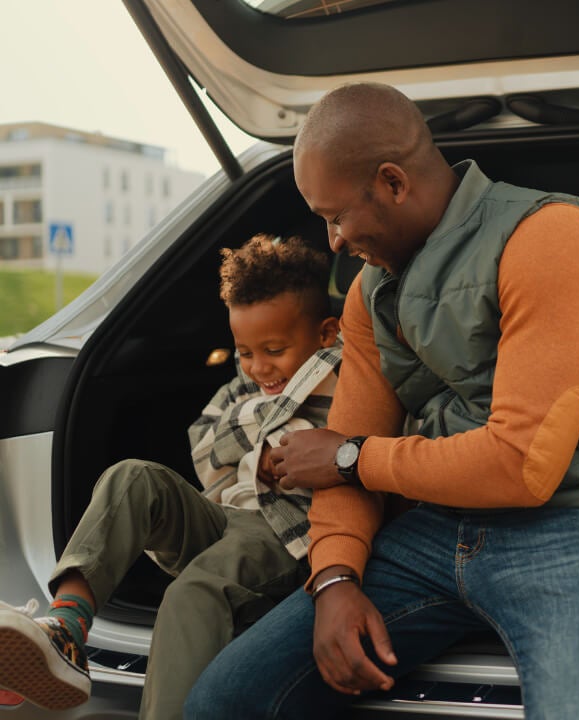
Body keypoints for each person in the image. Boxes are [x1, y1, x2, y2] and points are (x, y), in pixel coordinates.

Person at [186, 82, 579, 720]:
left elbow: (522, 465)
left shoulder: (552, 235)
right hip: (431, 533)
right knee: (222, 700)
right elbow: (346, 449)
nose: (330, 241)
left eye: (335, 217)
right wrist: (334, 578)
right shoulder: (367, 294)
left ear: (392, 182)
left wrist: (355, 459)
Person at [0, 234, 341, 718]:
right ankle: (66, 629)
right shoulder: (248, 382)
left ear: (326, 334)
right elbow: (202, 441)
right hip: (227, 515)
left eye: (275, 349)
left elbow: (334, 447)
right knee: (131, 476)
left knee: (193, 591)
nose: (259, 367)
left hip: (288, 533)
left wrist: (252, 429)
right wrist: (268, 430)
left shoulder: (345, 370)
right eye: (245, 351)